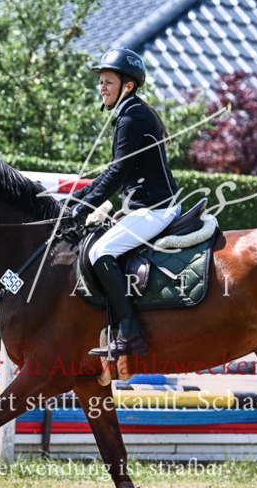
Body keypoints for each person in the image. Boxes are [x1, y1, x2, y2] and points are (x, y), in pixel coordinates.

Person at [69, 48, 181, 358]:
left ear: (127, 86)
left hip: (155, 208)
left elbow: (118, 171)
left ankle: (130, 333)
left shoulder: (132, 116)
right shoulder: (130, 113)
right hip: (142, 206)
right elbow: (115, 171)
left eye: (108, 82)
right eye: (101, 82)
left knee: (100, 252)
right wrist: (75, 200)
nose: (102, 87)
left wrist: (83, 208)